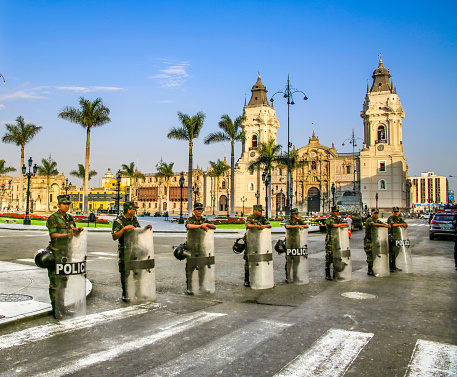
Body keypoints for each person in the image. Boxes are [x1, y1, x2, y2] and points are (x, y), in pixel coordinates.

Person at [46, 194, 84, 316]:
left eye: (68, 204)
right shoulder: (53, 218)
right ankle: (55, 308)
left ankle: (62, 307)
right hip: (56, 254)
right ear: (59, 205)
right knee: (55, 282)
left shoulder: (69, 218)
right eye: (64, 204)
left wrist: (77, 231)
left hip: (67, 254)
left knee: (63, 281)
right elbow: (53, 235)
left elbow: (72, 232)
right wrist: (68, 235)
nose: (67, 206)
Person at [112, 201, 152, 301]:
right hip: (125, 249)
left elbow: (137, 229)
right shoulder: (119, 221)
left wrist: (145, 228)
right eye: (134, 209)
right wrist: (124, 229)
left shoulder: (133, 219)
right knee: (125, 272)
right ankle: (125, 293)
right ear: (129, 210)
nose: (135, 211)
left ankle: (138, 292)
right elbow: (114, 236)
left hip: (135, 248)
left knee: (137, 270)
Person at [185, 203, 216, 294]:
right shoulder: (191, 219)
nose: (199, 211)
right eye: (197, 209)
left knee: (203, 267)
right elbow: (188, 226)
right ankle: (189, 287)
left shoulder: (204, 219)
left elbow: (214, 227)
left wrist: (206, 224)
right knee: (190, 268)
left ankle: (201, 286)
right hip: (192, 247)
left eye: (200, 210)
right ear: (194, 211)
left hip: (202, 246)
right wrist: (200, 226)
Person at [244, 204, 271, 286]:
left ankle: (260, 277)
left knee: (261, 259)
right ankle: (247, 279)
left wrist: (263, 226)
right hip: (250, 241)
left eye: (261, 211)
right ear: (254, 210)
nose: (260, 212)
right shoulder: (250, 218)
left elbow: (269, 225)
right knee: (248, 260)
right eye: (259, 211)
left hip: (260, 242)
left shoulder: (262, 218)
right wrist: (257, 226)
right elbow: (248, 225)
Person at [284, 208, 309, 282]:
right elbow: (287, 226)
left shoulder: (299, 221)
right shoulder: (289, 221)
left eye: (297, 213)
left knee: (297, 260)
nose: (297, 215)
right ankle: (288, 277)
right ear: (291, 214)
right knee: (289, 260)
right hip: (289, 242)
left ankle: (295, 276)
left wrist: (301, 226)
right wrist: (296, 226)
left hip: (297, 242)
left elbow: (306, 226)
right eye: (295, 214)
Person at [364, 208, 391, 276]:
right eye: (375, 213)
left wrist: (386, 225)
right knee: (370, 255)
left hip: (375, 241)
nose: (376, 215)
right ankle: (370, 270)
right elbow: (374, 224)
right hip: (369, 240)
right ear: (372, 214)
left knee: (375, 255)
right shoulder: (369, 220)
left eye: (377, 213)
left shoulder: (377, 220)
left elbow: (382, 223)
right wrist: (384, 225)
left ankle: (374, 268)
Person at [325, 206, 349, 280]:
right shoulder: (329, 219)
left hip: (338, 240)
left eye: (338, 211)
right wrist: (340, 225)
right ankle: (327, 273)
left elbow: (347, 224)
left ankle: (335, 273)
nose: (337, 213)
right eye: (336, 211)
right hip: (330, 241)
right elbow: (334, 225)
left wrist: (339, 225)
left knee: (337, 257)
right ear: (332, 212)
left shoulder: (339, 219)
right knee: (329, 257)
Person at [387, 206, 408, 272]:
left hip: (398, 237)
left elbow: (405, 224)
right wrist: (401, 224)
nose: (396, 213)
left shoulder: (399, 219)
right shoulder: (390, 218)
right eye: (395, 212)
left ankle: (394, 266)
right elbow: (393, 225)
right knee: (391, 252)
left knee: (397, 252)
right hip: (392, 237)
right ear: (392, 212)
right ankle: (390, 266)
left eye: (397, 212)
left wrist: (404, 225)